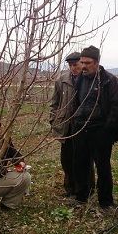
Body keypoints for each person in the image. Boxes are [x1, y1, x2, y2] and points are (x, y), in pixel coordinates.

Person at [70, 45, 118, 209]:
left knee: (103, 167)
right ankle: (81, 197)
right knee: (80, 164)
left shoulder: (109, 80)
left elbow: (117, 106)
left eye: (88, 62)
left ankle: (105, 201)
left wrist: (107, 130)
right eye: (82, 62)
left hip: (100, 130)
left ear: (97, 62)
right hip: (81, 129)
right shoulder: (80, 79)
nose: (84, 66)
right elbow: (76, 102)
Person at [50, 52, 81, 198]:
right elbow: (54, 104)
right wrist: (54, 120)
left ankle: (83, 189)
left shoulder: (88, 79)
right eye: (70, 65)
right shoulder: (61, 80)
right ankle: (69, 188)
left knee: (82, 159)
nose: (73, 68)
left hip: (82, 127)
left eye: (76, 65)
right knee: (66, 159)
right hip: (66, 127)